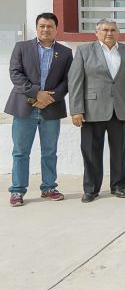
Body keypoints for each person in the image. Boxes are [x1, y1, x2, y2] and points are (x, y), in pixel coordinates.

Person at [6, 13, 73, 207]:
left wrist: (50, 97)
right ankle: (17, 191)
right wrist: (36, 93)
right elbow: (15, 73)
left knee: (50, 151)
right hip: (24, 107)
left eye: (50, 26)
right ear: (36, 28)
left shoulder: (65, 52)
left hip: (51, 108)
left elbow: (68, 80)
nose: (45, 29)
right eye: (42, 26)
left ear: (56, 29)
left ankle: (49, 187)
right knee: (20, 152)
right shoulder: (22, 47)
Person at [68, 18, 125, 203]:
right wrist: (76, 110)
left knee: (119, 151)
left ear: (118, 32)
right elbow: (75, 82)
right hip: (92, 110)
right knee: (91, 151)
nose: (109, 33)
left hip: (120, 109)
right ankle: (91, 189)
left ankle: (118, 186)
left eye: (113, 30)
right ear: (96, 32)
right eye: (105, 30)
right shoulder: (84, 51)